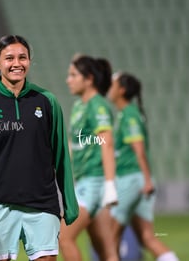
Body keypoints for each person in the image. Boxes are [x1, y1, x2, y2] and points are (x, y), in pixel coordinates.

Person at [0, 35, 79, 261]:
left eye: (22, 57)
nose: (16, 63)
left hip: (42, 203)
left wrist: (69, 200)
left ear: (29, 61)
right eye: (9, 58)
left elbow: (61, 154)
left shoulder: (47, 101)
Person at [107, 72, 179, 261]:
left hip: (131, 179)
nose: (109, 86)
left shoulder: (129, 115)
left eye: (113, 83)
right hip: (138, 181)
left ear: (121, 90)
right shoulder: (126, 114)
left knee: (110, 238)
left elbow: (139, 150)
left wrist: (146, 180)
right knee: (146, 237)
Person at [59, 55, 118, 261]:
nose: (68, 80)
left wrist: (110, 184)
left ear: (89, 79)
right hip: (82, 180)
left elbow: (107, 143)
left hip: (94, 181)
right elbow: (74, 144)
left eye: (73, 75)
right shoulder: (78, 107)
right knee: (106, 250)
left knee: (64, 237)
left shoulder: (97, 106)